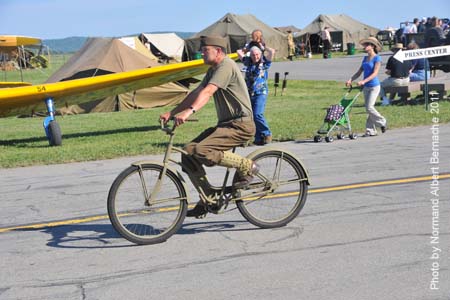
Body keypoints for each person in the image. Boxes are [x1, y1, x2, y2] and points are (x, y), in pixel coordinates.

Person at [160, 36, 258, 218]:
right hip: (226, 125)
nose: (202, 53)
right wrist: (172, 113)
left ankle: (247, 166)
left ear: (218, 51)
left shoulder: (226, 66)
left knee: (201, 150)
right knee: (188, 153)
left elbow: (208, 92)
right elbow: (195, 93)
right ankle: (208, 198)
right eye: (202, 50)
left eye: (206, 50)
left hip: (241, 125)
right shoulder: (213, 69)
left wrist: (188, 112)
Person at [346, 37, 387, 137]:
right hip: (366, 87)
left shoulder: (377, 58)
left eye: (366, 45)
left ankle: (382, 122)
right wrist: (351, 79)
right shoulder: (365, 58)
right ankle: (371, 131)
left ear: (372, 46)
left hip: (374, 86)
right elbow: (359, 71)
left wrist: (363, 81)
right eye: (364, 45)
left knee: (369, 107)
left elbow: (375, 73)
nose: (364, 46)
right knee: (368, 108)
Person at [237, 44, 275, 145]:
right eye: (253, 55)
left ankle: (267, 133)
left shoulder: (265, 62)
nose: (256, 57)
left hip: (260, 93)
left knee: (258, 114)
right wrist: (247, 47)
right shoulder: (247, 62)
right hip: (249, 93)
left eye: (257, 54)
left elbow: (272, 52)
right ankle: (258, 138)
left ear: (260, 54)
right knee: (252, 116)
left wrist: (263, 47)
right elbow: (238, 52)